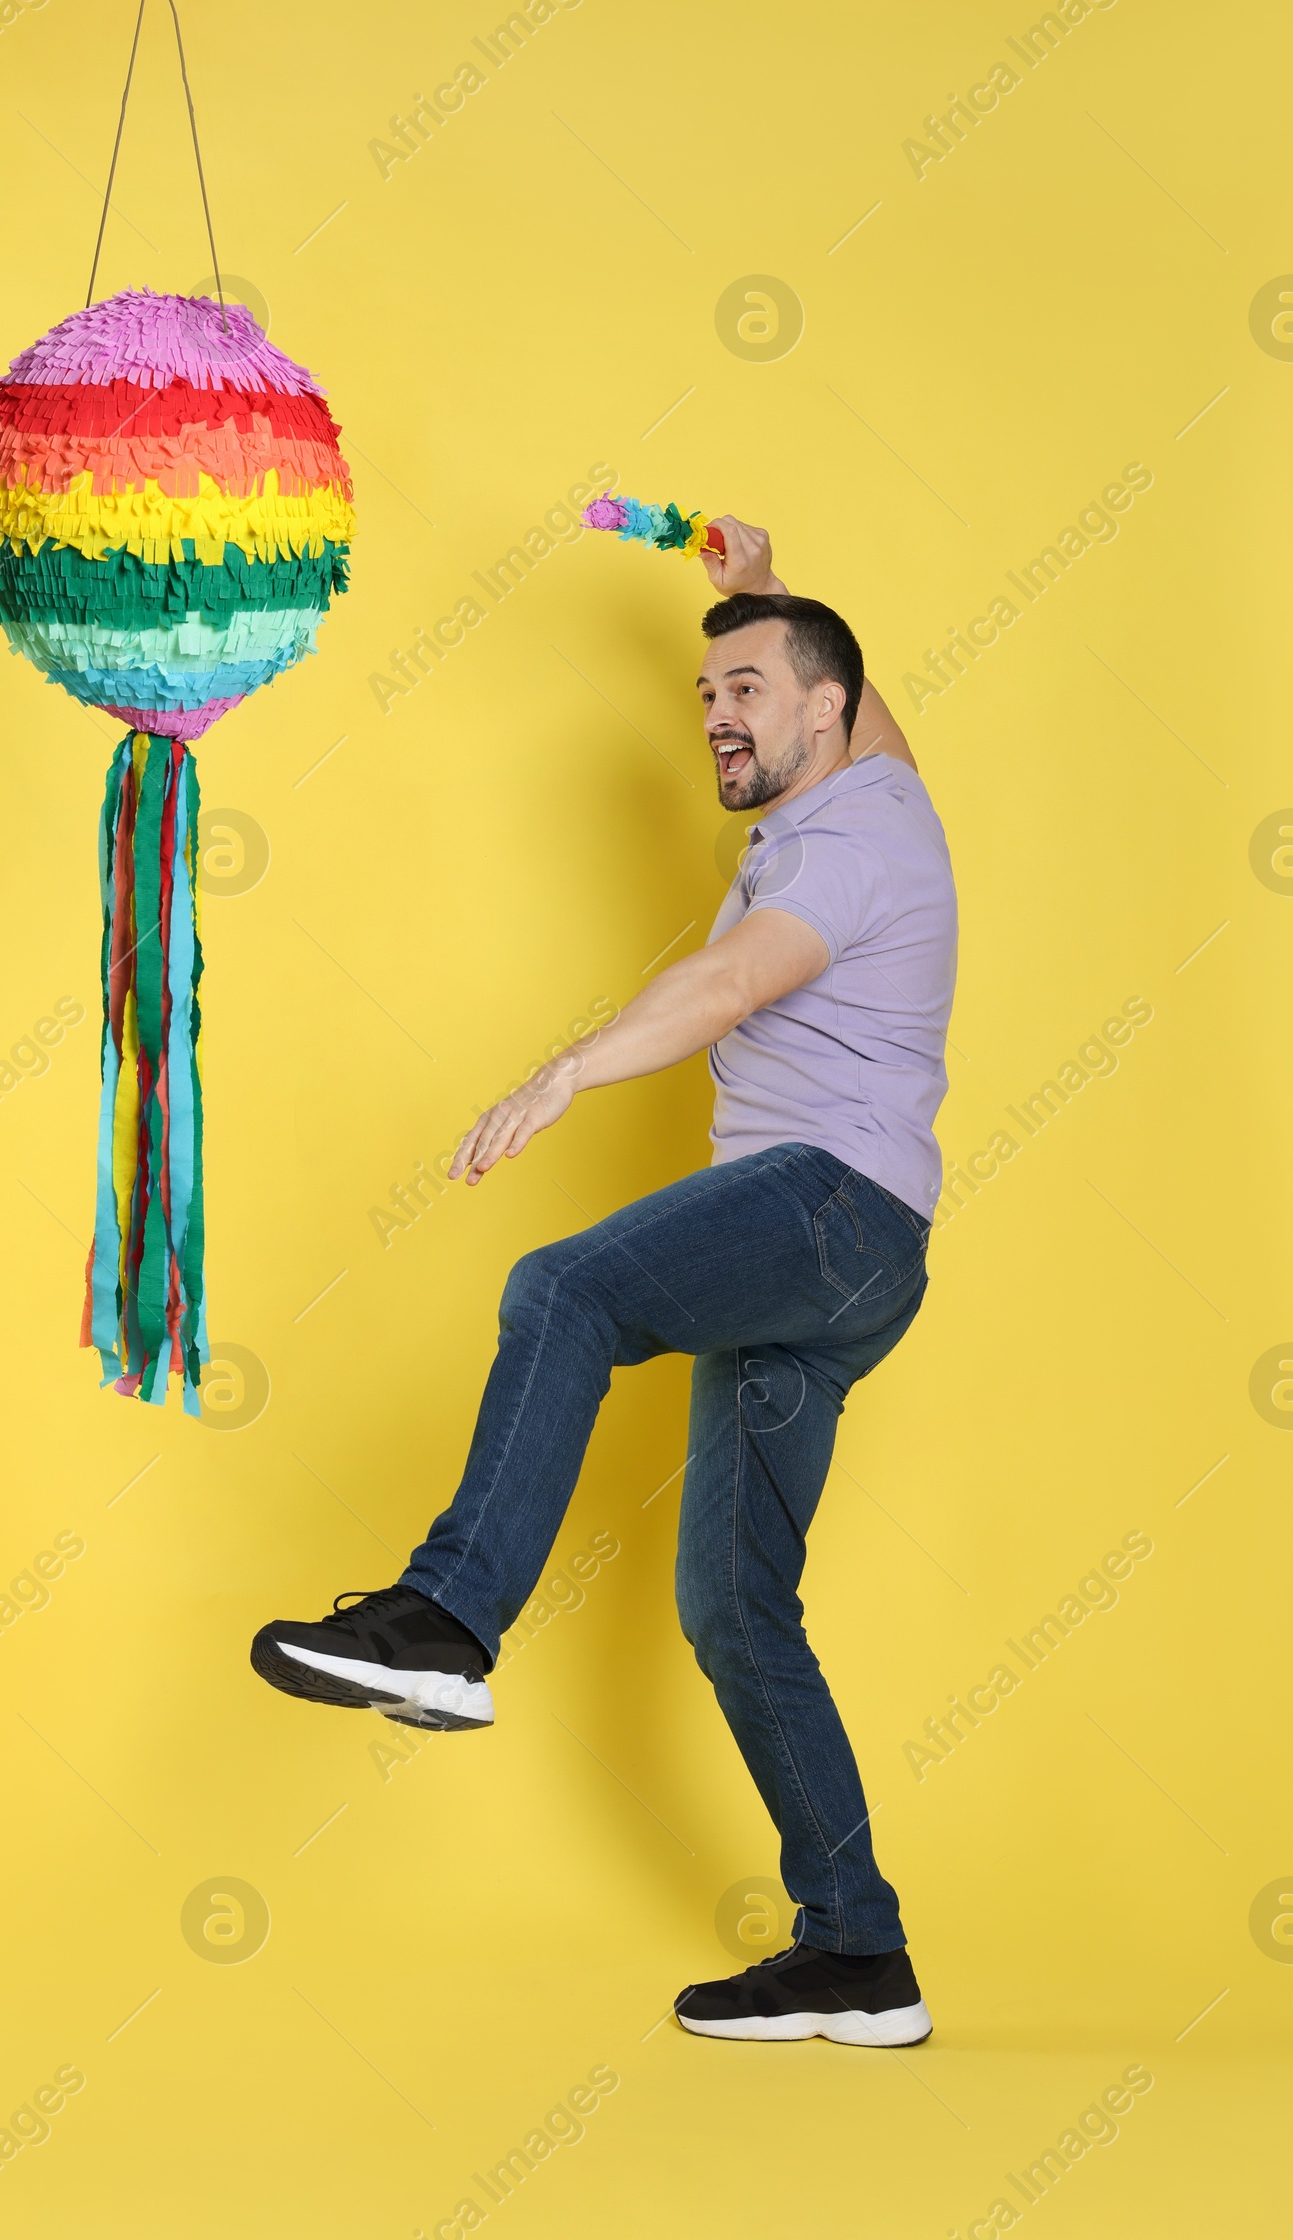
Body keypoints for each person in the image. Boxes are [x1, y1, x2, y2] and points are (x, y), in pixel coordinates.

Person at [252, 517, 957, 2049]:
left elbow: (729, 985)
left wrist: (569, 1073)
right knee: (734, 1611)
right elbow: (855, 683)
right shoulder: (886, 786)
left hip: (825, 1213)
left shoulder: (848, 847)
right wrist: (760, 597)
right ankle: (859, 1955)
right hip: (851, 1262)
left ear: (823, 711)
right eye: (708, 696)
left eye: (751, 690)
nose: (718, 715)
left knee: (563, 1290)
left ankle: (447, 1623)